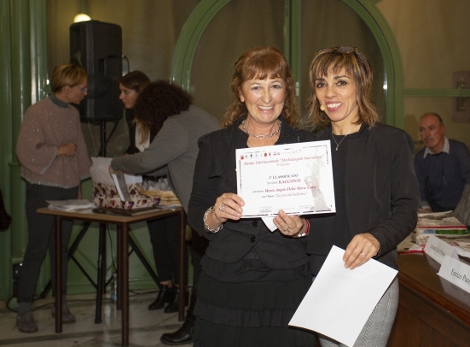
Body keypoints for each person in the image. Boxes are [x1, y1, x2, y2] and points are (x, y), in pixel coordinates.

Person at [286, 46, 419, 347]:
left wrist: (376, 237)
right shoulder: (309, 146)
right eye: (321, 84)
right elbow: (311, 218)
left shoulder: (390, 141)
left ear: (361, 86)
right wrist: (298, 227)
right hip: (322, 276)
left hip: (371, 275)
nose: (330, 93)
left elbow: (407, 210)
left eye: (341, 82)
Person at [186, 47, 317, 347]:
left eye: (275, 85)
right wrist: (215, 214)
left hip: (286, 279)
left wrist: (302, 227)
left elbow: (325, 219)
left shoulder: (307, 145)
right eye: (256, 87)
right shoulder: (214, 145)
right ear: (240, 92)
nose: (267, 98)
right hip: (226, 280)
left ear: (287, 91)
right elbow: (196, 212)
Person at [110, 80, 220, 345]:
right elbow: (167, 163)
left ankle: (194, 326)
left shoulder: (176, 124)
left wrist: (117, 162)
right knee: (206, 266)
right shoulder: (195, 115)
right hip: (217, 202)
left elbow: (148, 160)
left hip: (206, 208)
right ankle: (204, 324)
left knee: (203, 268)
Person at [15, 64, 91, 333]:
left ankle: (61, 303)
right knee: (37, 249)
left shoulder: (73, 113)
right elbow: (25, 150)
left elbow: (79, 148)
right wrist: (58, 150)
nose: (85, 92)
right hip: (42, 189)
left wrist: (79, 183)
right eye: (82, 88)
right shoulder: (37, 112)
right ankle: (24, 308)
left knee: (60, 249)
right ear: (66, 88)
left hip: (68, 188)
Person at [119, 71, 178, 313]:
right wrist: (128, 155)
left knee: (174, 239)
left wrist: (135, 159)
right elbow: (139, 148)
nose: (121, 97)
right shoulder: (133, 118)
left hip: (170, 187)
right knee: (157, 239)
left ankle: (180, 290)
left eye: (125, 92)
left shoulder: (162, 118)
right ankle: (165, 286)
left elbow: (159, 153)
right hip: (148, 187)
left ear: (140, 92)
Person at [414, 112, 470, 212]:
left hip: (463, 210)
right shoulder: (420, 158)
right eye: (422, 130)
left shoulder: (458, 150)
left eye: (431, 128)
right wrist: (428, 212)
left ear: (442, 130)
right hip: (435, 213)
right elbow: (419, 192)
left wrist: (463, 211)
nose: (426, 134)